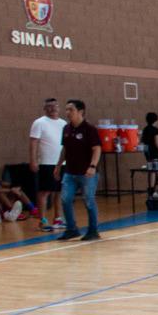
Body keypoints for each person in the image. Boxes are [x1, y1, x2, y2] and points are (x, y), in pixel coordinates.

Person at [56, 99, 102, 241]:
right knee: (65, 199)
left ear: (80, 111)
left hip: (86, 173)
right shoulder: (66, 128)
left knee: (88, 200)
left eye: (71, 110)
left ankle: (93, 231)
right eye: (67, 110)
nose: (67, 113)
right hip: (70, 171)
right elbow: (65, 149)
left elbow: (97, 149)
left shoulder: (90, 129)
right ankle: (72, 230)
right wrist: (58, 166)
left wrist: (92, 166)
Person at [28, 97, 66, 232]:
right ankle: (42, 220)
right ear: (45, 109)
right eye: (49, 106)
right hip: (46, 163)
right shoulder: (39, 123)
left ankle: (58, 219)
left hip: (61, 163)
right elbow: (33, 142)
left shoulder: (64, 123)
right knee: (44, 192)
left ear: (59, 107)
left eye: (55, 105)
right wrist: (33, 160)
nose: (52, 108)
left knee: (59, 191)